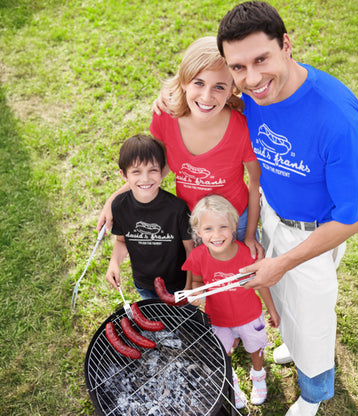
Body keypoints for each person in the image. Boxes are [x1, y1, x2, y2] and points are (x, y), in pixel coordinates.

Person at [214, 2, 358, 415]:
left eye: (261, 59)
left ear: (286, 45)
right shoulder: (248, 94)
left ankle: (315, 393)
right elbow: (207, 93)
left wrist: (285, 261)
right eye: (238, 67)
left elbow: (353, 215)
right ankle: (296, 344)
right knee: (286, 302)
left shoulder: (337, 118)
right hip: (272, 212)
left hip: (313, 233)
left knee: (314, 320)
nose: (252, 79)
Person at [99, 36, 263, 260]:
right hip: (189, 222)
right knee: (199, 283)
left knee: (237, 286)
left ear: (232, 90)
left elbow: (255, 182)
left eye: (219, 86)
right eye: (198, 83)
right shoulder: (165, 117)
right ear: (184, 81)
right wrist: (115, 199)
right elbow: (160, 168)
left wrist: (251, 235)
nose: (206, 97)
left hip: (234, 222)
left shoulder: (242, 128)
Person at [182, 195, 280, 409]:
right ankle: (231, 382)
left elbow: (261, 283)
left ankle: (258, 376)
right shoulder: (198, 256)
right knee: (223, 351)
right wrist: (197, 294)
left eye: (223, 227)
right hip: (218, 318)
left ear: (235, 226)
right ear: (198, 232)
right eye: (208, 229)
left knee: (255, 348)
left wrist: (271, 309)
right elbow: (197, 280)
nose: (216, 235)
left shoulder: (247, 254)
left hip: (249, 315)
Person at [105, 134, 194, 300]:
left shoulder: (177, 208)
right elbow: (121, 241)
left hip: (178, 285)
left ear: (162, 171)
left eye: (152, 170)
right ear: (124, 175)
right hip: (144, 284)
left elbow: (190, 249)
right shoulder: (119, 206)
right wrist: (114, 263)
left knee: (186, 323)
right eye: (136, 172)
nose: (145, 179)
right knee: (157, 323)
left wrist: (189, 287)